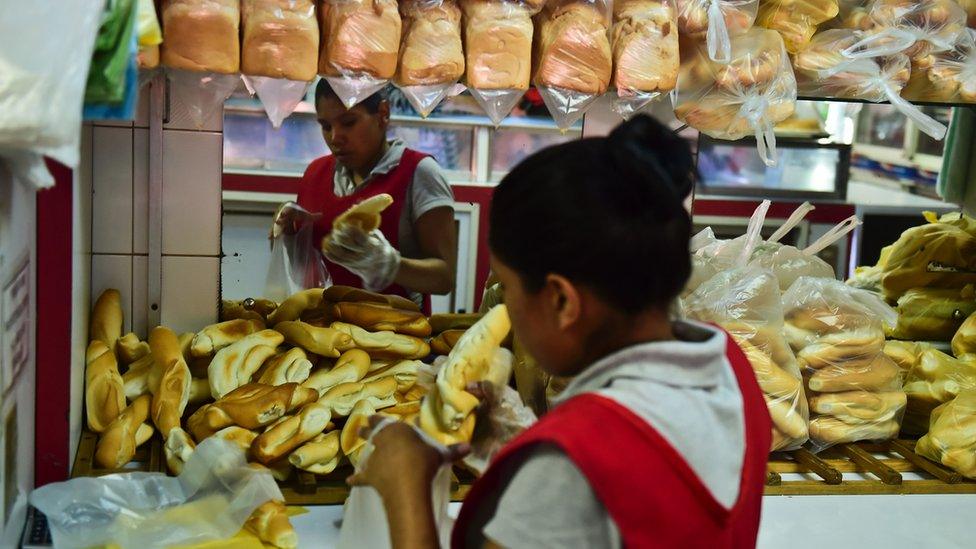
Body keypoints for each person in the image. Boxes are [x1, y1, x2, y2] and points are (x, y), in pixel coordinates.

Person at [347, 115, 773, 548]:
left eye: (507, 289)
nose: (505, 308)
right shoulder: (731, 367)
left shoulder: (570, 470)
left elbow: (591, 477)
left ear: (562, 301)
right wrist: (524, 439)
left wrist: (406, 489)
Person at [272, 80, 457, 310]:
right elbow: (307, 273)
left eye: (348, 123)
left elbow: (444, 278)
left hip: (395, 335)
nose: (335, 137)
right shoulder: (314, 174)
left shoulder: (419, 173)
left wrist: (390, 265)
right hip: (326, 332)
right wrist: (290, 237)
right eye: (325, 126)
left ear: (383, 114)